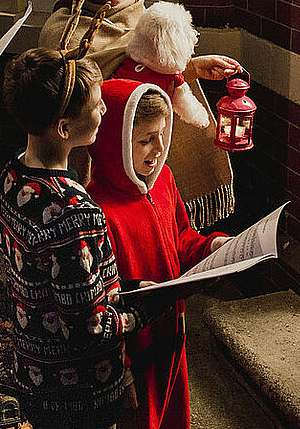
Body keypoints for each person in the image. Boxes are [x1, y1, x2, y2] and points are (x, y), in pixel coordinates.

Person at [37, 0, 242, 229]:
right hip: (100, 176)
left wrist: (191, 68)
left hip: (148, 161)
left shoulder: (137, 8)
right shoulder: (61, 35)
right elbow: (107, 99)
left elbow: (143, 77)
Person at [0, 48, 169, 429]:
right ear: (63, 128)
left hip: (32, 372)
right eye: (95, 105)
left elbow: (58, 283)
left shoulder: (11, 177)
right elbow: (89, 331)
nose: (104, 110)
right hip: (78, 393)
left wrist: (127, 287)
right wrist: (148, 307)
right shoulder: (73, 211)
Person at [87, 80, 229, 429]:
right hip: (135, 349)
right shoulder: (98, 211)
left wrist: (212, 247)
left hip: (173, 333)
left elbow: (182, 239)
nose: (159, 147)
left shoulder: (164, 179)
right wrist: (121, 372)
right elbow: (98, 302)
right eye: (145, 140)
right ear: (115, 141)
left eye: (163, 134)